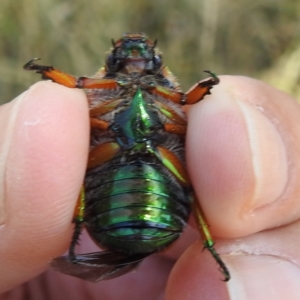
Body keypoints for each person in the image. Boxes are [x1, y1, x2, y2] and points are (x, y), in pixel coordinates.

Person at [1, 76, 300, 300]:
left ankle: (211, 246)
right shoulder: (98, 94)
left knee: (195, 186)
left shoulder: (159, 98)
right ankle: (81, 222)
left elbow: (186, 108)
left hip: (140, 193)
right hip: (138, 193)